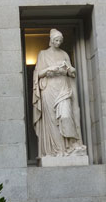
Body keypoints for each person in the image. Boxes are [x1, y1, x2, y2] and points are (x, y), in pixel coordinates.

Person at [32, 29, 86, 158]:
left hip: (63, 88)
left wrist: (69, 69)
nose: (58, 43)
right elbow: (38, 73)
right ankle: (56, 151)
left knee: (65, 116)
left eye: (60, 41)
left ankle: (70, 146)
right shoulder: (43, 54)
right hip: (49, 89)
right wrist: (49, 69)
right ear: (51, 40)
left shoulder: (64, 54)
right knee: (52, 120)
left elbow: (71, 72)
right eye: (56, 40)